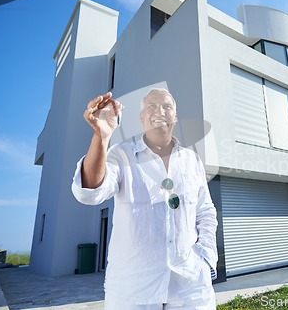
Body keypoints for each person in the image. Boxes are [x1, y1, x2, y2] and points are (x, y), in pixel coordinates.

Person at [71, 89, 218, 309]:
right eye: (152, 106)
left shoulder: (192, 160)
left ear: (175, 117)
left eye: (167, 106)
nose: (160, 111)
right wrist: (101, 137)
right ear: (141, 118)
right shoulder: (121, 155)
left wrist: (205, 259)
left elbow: (205, 212)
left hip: (190, 287)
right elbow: (91, 192)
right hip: (133, 291)